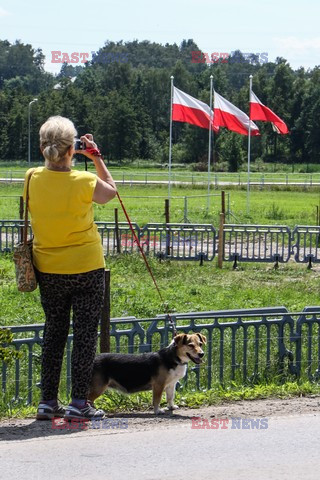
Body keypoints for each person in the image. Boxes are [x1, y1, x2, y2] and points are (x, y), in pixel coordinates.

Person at [24, 115, 117, 420]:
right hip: (86, 267)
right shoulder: (85, 180)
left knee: (54, 333)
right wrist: (96, 156)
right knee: (85, 335)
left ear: (43, 148)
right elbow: (110, 193)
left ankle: (47, 401)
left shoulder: (31, 178)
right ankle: (79, 402)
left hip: (48, 268)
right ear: (71, 149)